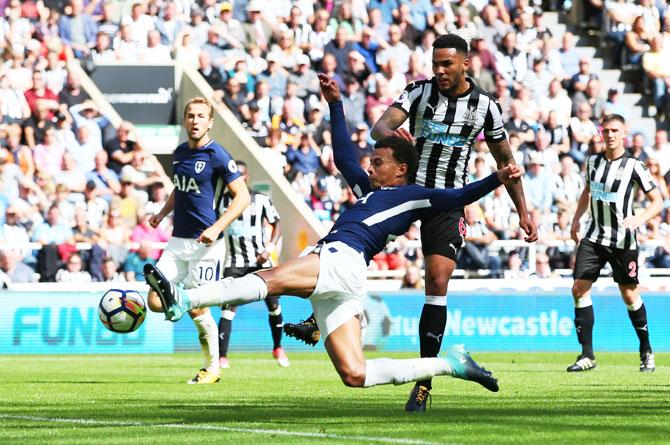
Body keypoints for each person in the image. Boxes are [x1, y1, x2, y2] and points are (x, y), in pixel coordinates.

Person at [144, 73, 521, 396]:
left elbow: (457, 195)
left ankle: (184, 298)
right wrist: (336, 105)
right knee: (356, 374)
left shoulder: (413, 195)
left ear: (401, 168)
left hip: (340, 258)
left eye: (378, 163)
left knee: (270, 279)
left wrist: (496, 179)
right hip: (347, 277)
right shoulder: (372, 191)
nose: (369, 168)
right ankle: (449, 364)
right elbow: (343, 158)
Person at [285, 34, 537, 412]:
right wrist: (390, 133)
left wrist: (523, 210)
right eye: (435, 63)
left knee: (436, 282)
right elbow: (379, 129)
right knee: (354, 238)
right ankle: (317, 317)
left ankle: (423, 384)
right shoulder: (418, 93)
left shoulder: (486, 106)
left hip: (447, 201)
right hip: (405, 191)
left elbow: (506, 160)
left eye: (446, 65)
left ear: (465, 64)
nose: (439, 71)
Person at [146, 97, 250, 384]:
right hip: (177, 243)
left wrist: (217, 228)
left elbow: (243, 197)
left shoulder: (218, 155)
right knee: (154, 299)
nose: (195, 120)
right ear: (185, 120)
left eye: (200, 116)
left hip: (206, 245)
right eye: (190, 115)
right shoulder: (179, 153)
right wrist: (161, 213)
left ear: (210, 121)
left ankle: (213, 368)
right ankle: (178, 303)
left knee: (197, 306)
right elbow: (180, 190)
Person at [567, 114, 663, 374]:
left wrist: (638, 218)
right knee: (578, 288)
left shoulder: (634, 165)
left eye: (614, 130)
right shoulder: (592, 162)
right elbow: (586, 191)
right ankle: (587, 355)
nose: (609, 135)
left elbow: (658, 201)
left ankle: (646, 350)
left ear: (624, 133)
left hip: (622, 242)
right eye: (605, 130)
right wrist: (576, 220)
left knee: (630, 295)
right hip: (594, 237)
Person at [217, 160, 288, 369]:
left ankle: (278, 347)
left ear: (246, 177)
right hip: (235, 262)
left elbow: (277, 225)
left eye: (240, 175)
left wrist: (269, 249)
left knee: (274, 305)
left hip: (261, 260)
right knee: (228, 308)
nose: (236, 180)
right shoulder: (221, 202)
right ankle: (222, 356)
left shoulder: (261, 200)